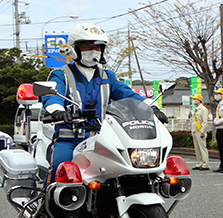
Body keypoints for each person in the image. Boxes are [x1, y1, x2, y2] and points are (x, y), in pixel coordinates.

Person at [43, 23, 168, 184]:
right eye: (87, 46)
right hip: (70, 140)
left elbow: (127, 94)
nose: (93, 50)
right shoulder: (62, 75)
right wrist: (57, 111)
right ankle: (50, 206)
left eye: (97, 46)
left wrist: (151, 107)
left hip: (100, 140)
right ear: (75, 48)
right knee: (63, 167)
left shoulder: (107, 76)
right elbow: (51, 95)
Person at [190, 94, 210, 171]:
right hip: (195, 131)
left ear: (199, 100)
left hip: (200, 131)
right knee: (197, 148)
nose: (193, 100)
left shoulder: (203, 109)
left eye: (195, 99)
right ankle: (200, 163)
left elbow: (204, 122)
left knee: (202, 148)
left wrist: (203, 132)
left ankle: (205, 164)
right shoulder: (195, 109)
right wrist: (192, 131)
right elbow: (193, 121)